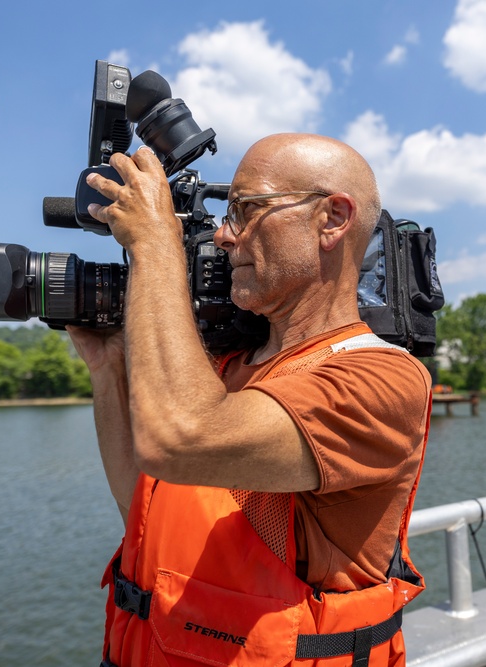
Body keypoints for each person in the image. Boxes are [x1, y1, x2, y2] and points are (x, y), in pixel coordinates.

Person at [68, 133, 433, 667]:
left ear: (332, 219)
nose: (221, 235)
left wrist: (155, 243)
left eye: (244, 210)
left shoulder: (382, 380)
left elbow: (181, 437)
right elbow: (147, 509)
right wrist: (108, 368)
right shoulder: (223, 370)